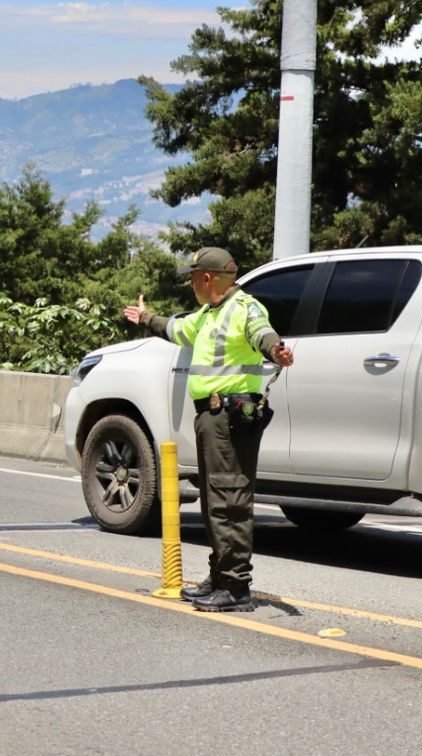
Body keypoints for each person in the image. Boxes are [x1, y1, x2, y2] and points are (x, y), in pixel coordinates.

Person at [122, 246, 294, 613]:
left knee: (229, 499)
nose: (191, 285)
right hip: (211, 417)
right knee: (215, 499)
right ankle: (219, 577)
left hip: (230, 416)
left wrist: (276, 351)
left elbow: (263, 333)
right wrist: (146, 317)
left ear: (207, 278)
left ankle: (235, 586)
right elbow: (175, 329)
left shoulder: (245, 308)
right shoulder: (208, 314)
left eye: (192, 278)